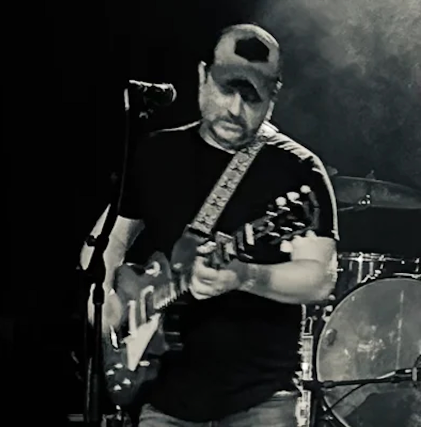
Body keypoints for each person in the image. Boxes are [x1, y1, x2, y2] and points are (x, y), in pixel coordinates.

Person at [81, 23, 339, 427]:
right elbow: (107, 241)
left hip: (260, 401)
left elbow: (319, 278)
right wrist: (105, 305)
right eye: (226, 89)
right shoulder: (157, 153)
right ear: (203, 76)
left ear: (273, 96)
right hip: (163, 398)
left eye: (252, 98)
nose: (235, 109)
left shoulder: (297, 170)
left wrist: (244, 276)